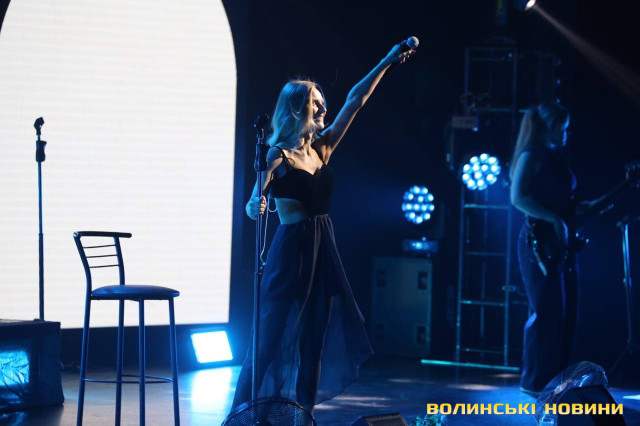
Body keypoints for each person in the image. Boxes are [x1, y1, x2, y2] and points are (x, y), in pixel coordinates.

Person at [230, 42, 415, 414]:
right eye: (316, 103)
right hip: (290, 254)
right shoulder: (277, 156)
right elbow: (253, 203)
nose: (323, 108)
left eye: (322, 102)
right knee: (267, 342)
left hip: (323, 252)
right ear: (297, 108)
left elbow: (355, 101)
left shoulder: (322, 149)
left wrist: (387, 61)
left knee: (312, 343)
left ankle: (304, 418)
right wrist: (256, 205)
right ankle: (242, 415)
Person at [510, 102, 583, 395]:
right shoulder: (531, 156)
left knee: (567, 310)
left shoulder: (556, 157)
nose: (566, 134)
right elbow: (517, 198)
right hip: (537, 242)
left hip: (560, 243)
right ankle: (535, 382)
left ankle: (557, 380)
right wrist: (553, 218)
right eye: (561, 128)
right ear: (547, 128)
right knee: (546, 309)